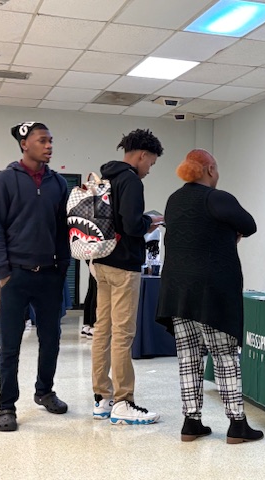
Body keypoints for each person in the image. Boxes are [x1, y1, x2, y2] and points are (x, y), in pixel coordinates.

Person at [156, 149, 263, 444]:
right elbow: (250, 225)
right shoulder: (217, 197)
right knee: (224, 356)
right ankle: (237, 425)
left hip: (177, 291)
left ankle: (191, 423)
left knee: (189, 357)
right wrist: (230, 233)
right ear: (209, 169)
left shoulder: (174, 199)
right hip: (211, 293)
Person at [0, 122, 70, 432]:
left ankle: (44, 391)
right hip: (15, 276)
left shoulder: (58, 183)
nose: (49, 145)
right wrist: (3, 272)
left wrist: (63, 267)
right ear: (25, 145)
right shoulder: (6, 180)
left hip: (50, 275)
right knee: (10, 346)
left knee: (51, 340)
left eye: (51, 140)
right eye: (42, 140)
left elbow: (64, 230)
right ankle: (6, 406)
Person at [91, 129, 163, 425]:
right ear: (142, 155)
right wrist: (152, 220)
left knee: (102, 330)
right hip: (124, 266)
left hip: (101, 262)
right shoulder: (131, 180)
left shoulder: (107, 176)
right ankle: (124, 401)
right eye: (151, 163)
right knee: (123, 334)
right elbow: (133, 225)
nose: (149, 169)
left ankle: (102, 399)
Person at [81, 262, 96, 338]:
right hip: (100, 257)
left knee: (92, 290)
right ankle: (93, 324)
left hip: (91, 255)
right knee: (96, 291)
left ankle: (87, 324)